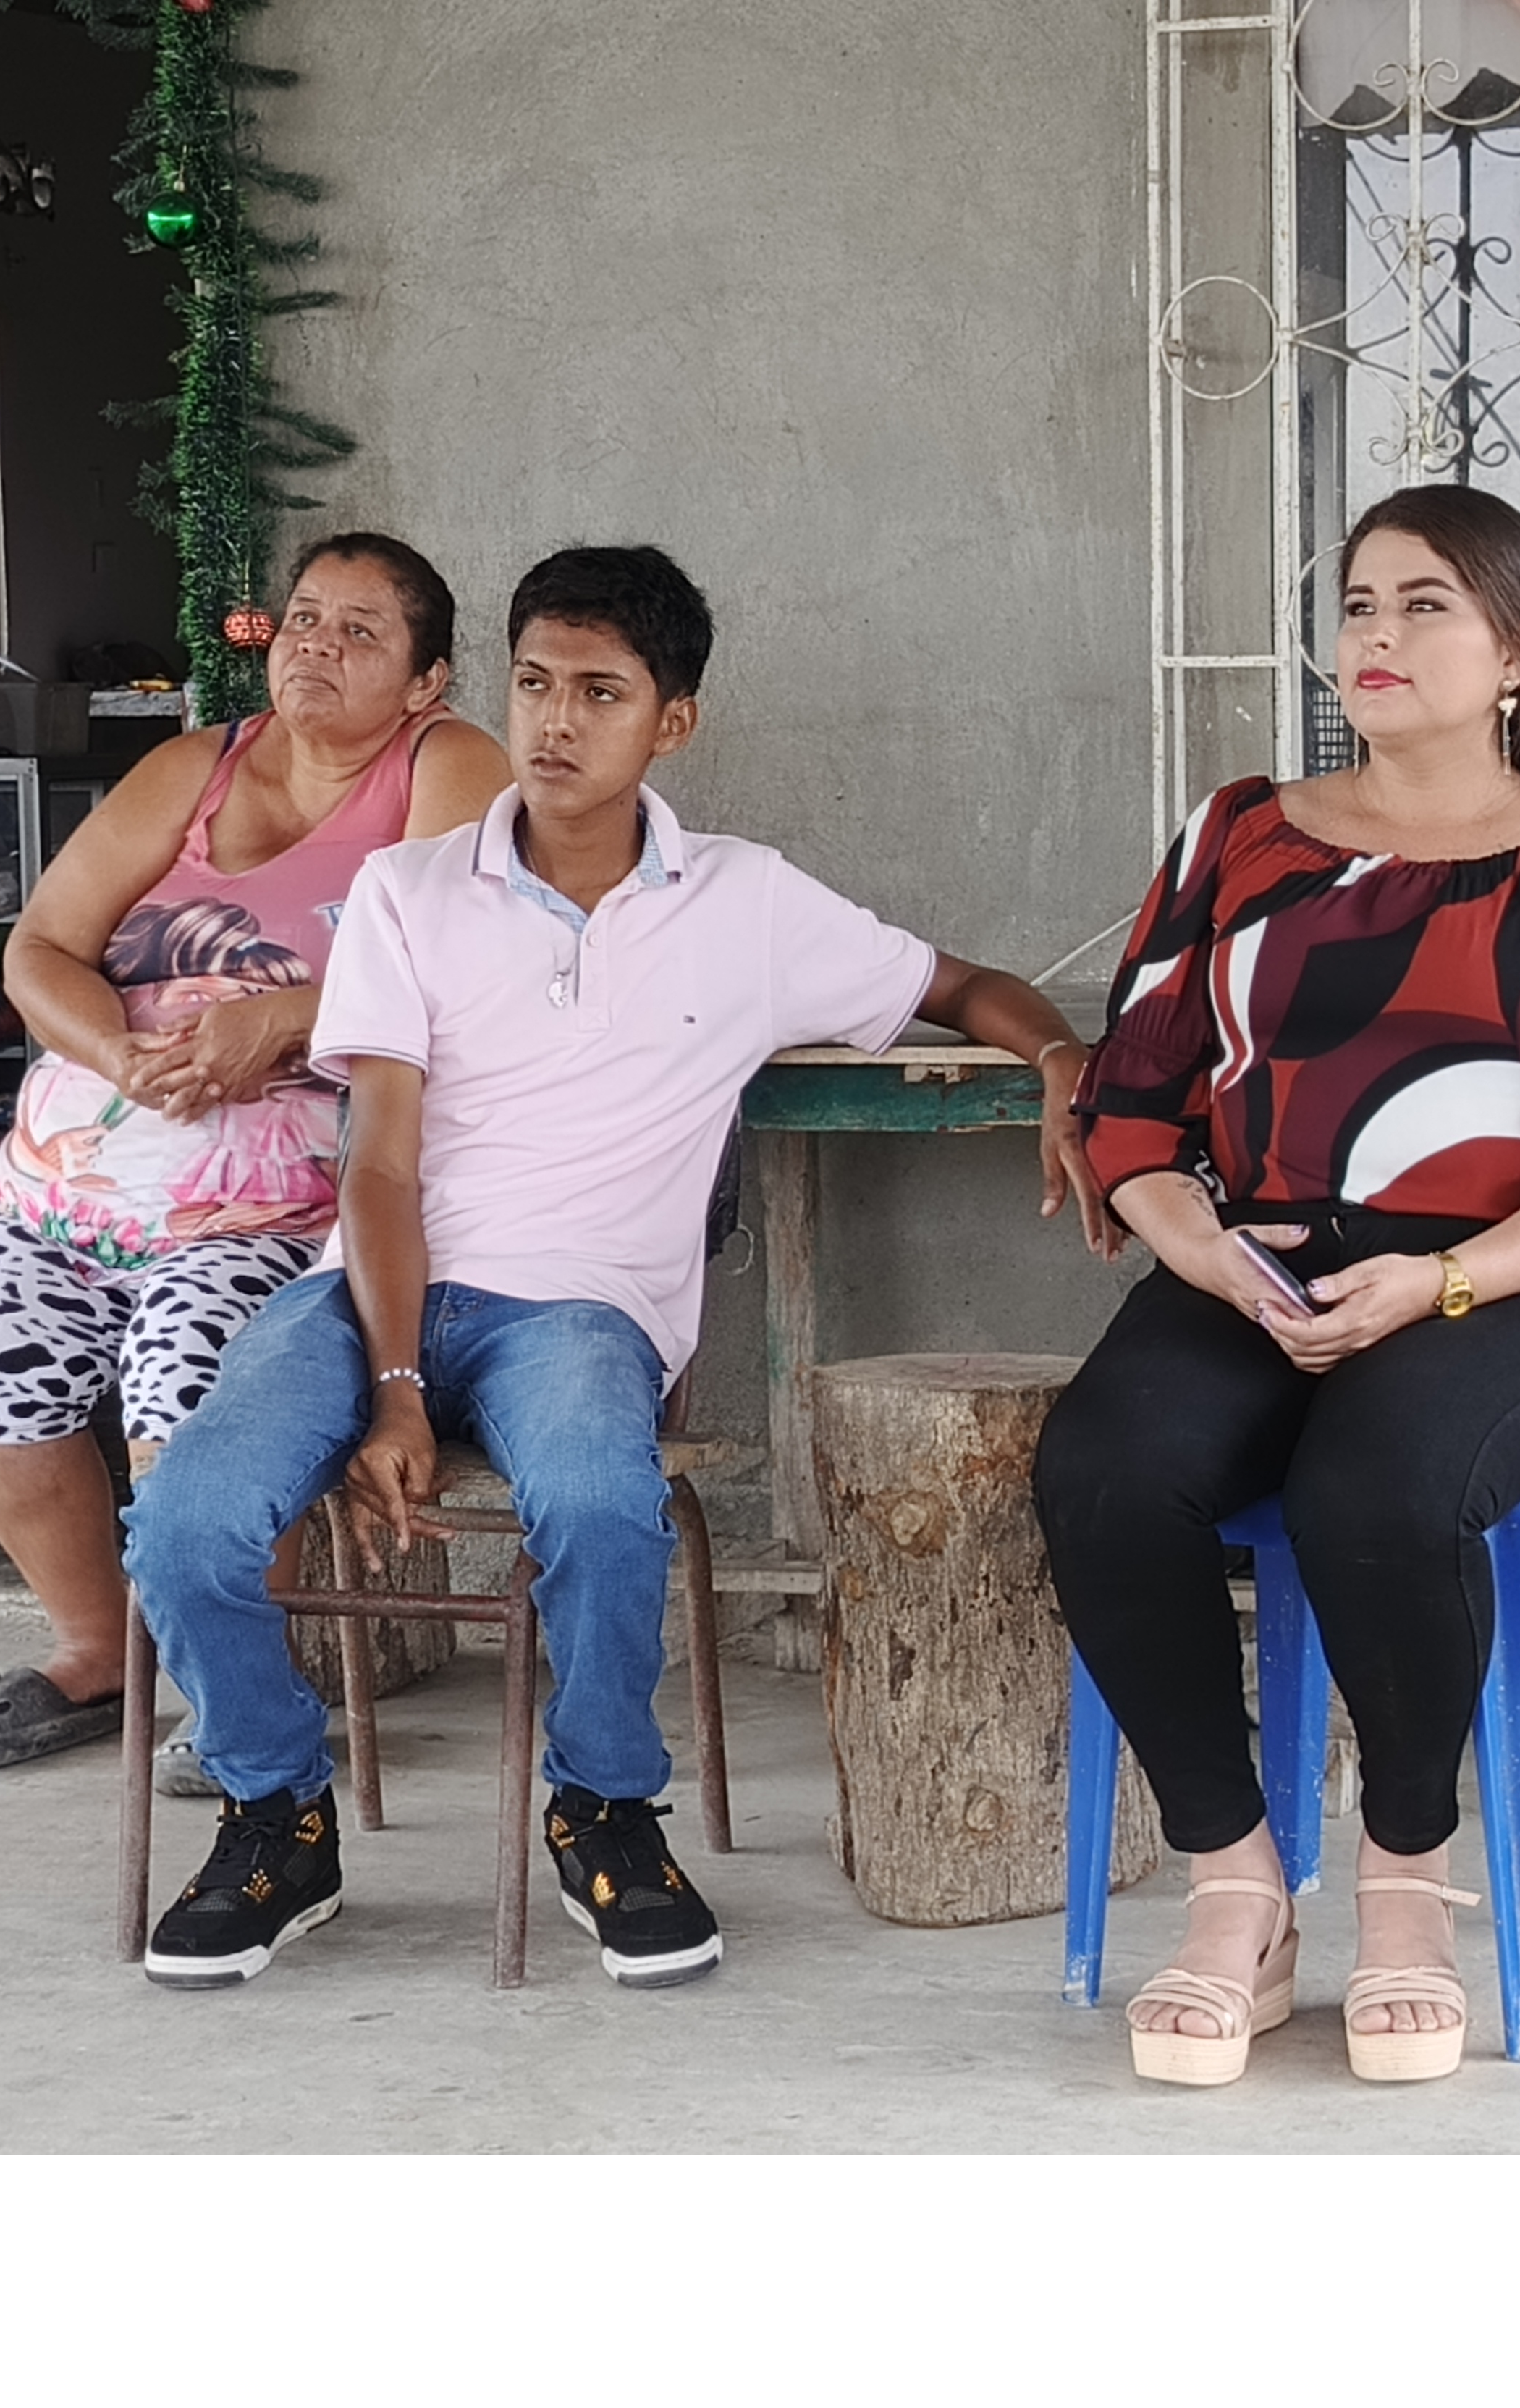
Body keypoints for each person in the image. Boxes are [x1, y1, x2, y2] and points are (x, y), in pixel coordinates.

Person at [121, 542, 1115, 1988]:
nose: (555, 722)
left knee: (601, 1503)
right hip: (368, 1295)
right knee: (185, 1516)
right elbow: (379, 1165)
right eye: (534, 683)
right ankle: (278, 1813)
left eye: (600, 692)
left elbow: (953, 984)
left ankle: (600, 1807)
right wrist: (394, 1386)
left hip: (579, 1311)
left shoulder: (746, 902)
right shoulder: (411, 891)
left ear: (672, 722)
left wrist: (1062, 1053)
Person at [1033, 483, 1520, 2087]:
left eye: (1425, 605)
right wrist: (1194, 1242)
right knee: (1102, 1471)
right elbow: (1132, 1100)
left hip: (1507, 1286)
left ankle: (1405, 1874)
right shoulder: (1239, 836)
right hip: (1255, 1262)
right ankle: (1237, 1886)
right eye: (1358, 604)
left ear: (1517, 653)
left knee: (1377, 1490)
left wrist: (1437, 1281)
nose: (1378, 635)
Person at [0, 534, 511, 1771]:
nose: (318, 646)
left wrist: (287, 1017)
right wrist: (121, 1056)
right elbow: (38, 951)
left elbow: (473, 967)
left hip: (286, 1206)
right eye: (304, 618)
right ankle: (97, 1651)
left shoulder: (446, 765)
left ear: (426, 680)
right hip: (87, 1183)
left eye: (361, 631)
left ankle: (233, 1684)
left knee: (191, 1372)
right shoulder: (195, 764)